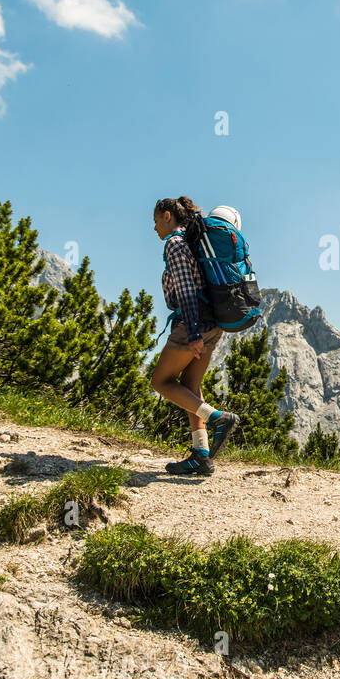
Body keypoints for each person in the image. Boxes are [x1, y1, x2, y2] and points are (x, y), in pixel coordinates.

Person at [148, 195, 240, 475]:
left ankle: (217, 419)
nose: (154, 229)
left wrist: (193, 333)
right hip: (214, 324)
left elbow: (186, 290)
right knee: (190, 386)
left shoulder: (175, 244)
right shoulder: (194, 243)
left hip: (194, 323)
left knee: (160, 381)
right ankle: (201, 455)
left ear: (167, 215)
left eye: (155, 221)